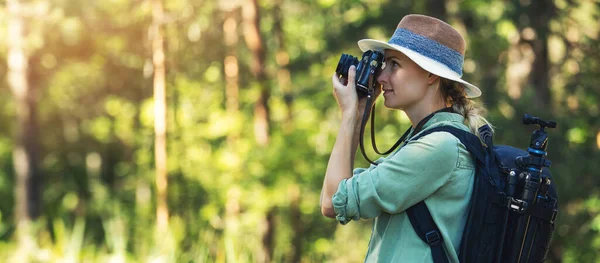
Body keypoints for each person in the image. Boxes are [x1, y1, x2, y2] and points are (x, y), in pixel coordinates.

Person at [320, 14, 493, 262]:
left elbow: (331, 203)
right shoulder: (425, 140)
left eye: (394, 65)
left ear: (431, 75)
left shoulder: (438, 147)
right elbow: (336, 191)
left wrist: (349, 115)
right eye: (383, 66)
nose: (380, 78)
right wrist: (358, 116)